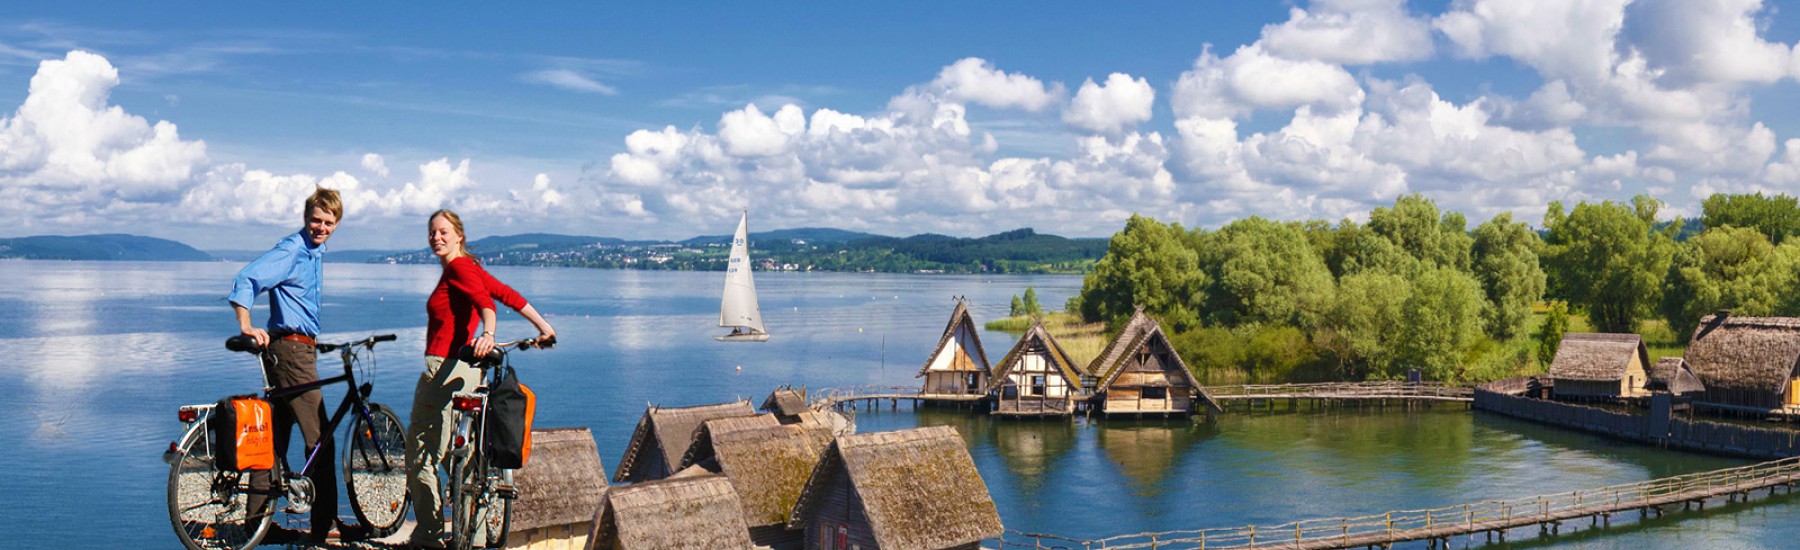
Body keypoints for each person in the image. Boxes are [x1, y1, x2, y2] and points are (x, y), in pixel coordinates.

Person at [407, 209, 555, 549]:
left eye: (443, 232)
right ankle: (472, 536)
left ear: (460, 236)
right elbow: (507, 295)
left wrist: (488, 333)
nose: (436, 238)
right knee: (467, 458)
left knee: (421, 456)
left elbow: (487, 304)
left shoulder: (459, 267)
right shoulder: (470, 269)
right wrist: (544, 328)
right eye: (432, 233)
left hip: (443, 366)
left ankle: (428, 537)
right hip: (471, 370)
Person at [227, 187, 347, 544]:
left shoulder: (313, 252)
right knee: (320, 439)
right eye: (315, 220)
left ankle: (257, 524)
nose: (320, 227)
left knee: (274, 440)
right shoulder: (293, 250)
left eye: (328, 222)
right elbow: (247, 278)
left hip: (295, 349)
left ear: (337, 224)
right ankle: (326, 526)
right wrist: (246, 325)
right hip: (291, 355)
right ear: (305, 218)